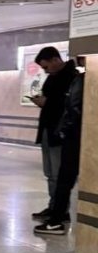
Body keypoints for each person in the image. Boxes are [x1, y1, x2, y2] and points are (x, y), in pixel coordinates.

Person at [30, 47, 79, 221]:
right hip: (48, 128)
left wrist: (47, 103)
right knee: (50, 172)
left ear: (55, 60)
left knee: (59, 173)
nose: (45, 70)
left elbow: (68, 106)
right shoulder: (53, 78)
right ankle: (53, 206)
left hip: (60, 132)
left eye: (46, 67)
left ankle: (60, 210)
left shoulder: (72, 78)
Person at [35, 71, 84, 235]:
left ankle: (57, 218)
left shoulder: (79, 78)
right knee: (59, 177)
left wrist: (64, 130)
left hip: (73, 136)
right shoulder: (78, 78)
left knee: (62, 178)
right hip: (72, 134)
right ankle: (55, 213)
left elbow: (73, 108)